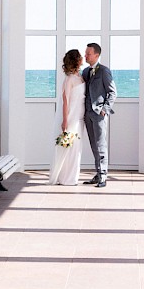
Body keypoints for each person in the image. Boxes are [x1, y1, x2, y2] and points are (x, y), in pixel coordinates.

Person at [47, 49, 85, 186]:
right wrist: (65, 120)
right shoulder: (69, 80)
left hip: (80, 118)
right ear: (77, 60)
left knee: (77, 149)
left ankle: (72, 177)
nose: (82, 58)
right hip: (71, 118)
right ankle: (66, 178)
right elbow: (66, 101)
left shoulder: (80, 76)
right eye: (81, 57)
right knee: (70, 148)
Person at [81, 42, 117, 188]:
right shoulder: (85, 72)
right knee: (93, 145)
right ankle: (98, 173)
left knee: (101, 145)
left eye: (88, 53)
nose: (85, 55)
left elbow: (112, 92)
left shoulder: (104, 71)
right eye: (85, 53)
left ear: (96, 55)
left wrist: (105, 109)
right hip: (87, 113)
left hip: (99, 114)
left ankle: (103, 176)